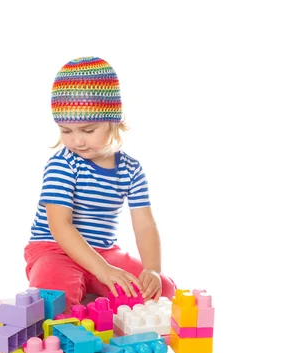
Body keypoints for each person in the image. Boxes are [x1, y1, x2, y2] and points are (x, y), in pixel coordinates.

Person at [24, 56, 176, 313]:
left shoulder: (131, 169)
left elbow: (145, 224)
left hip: (104, 251)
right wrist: (103, 271)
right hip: (55, 249)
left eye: (88, 129)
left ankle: (93, 296)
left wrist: (151, 268)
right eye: (66, 131)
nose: (77, 141)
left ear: (113, 120)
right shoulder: (63, 164)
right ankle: (83, 296)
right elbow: (60, 226)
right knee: (50, 299)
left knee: (162, 289)